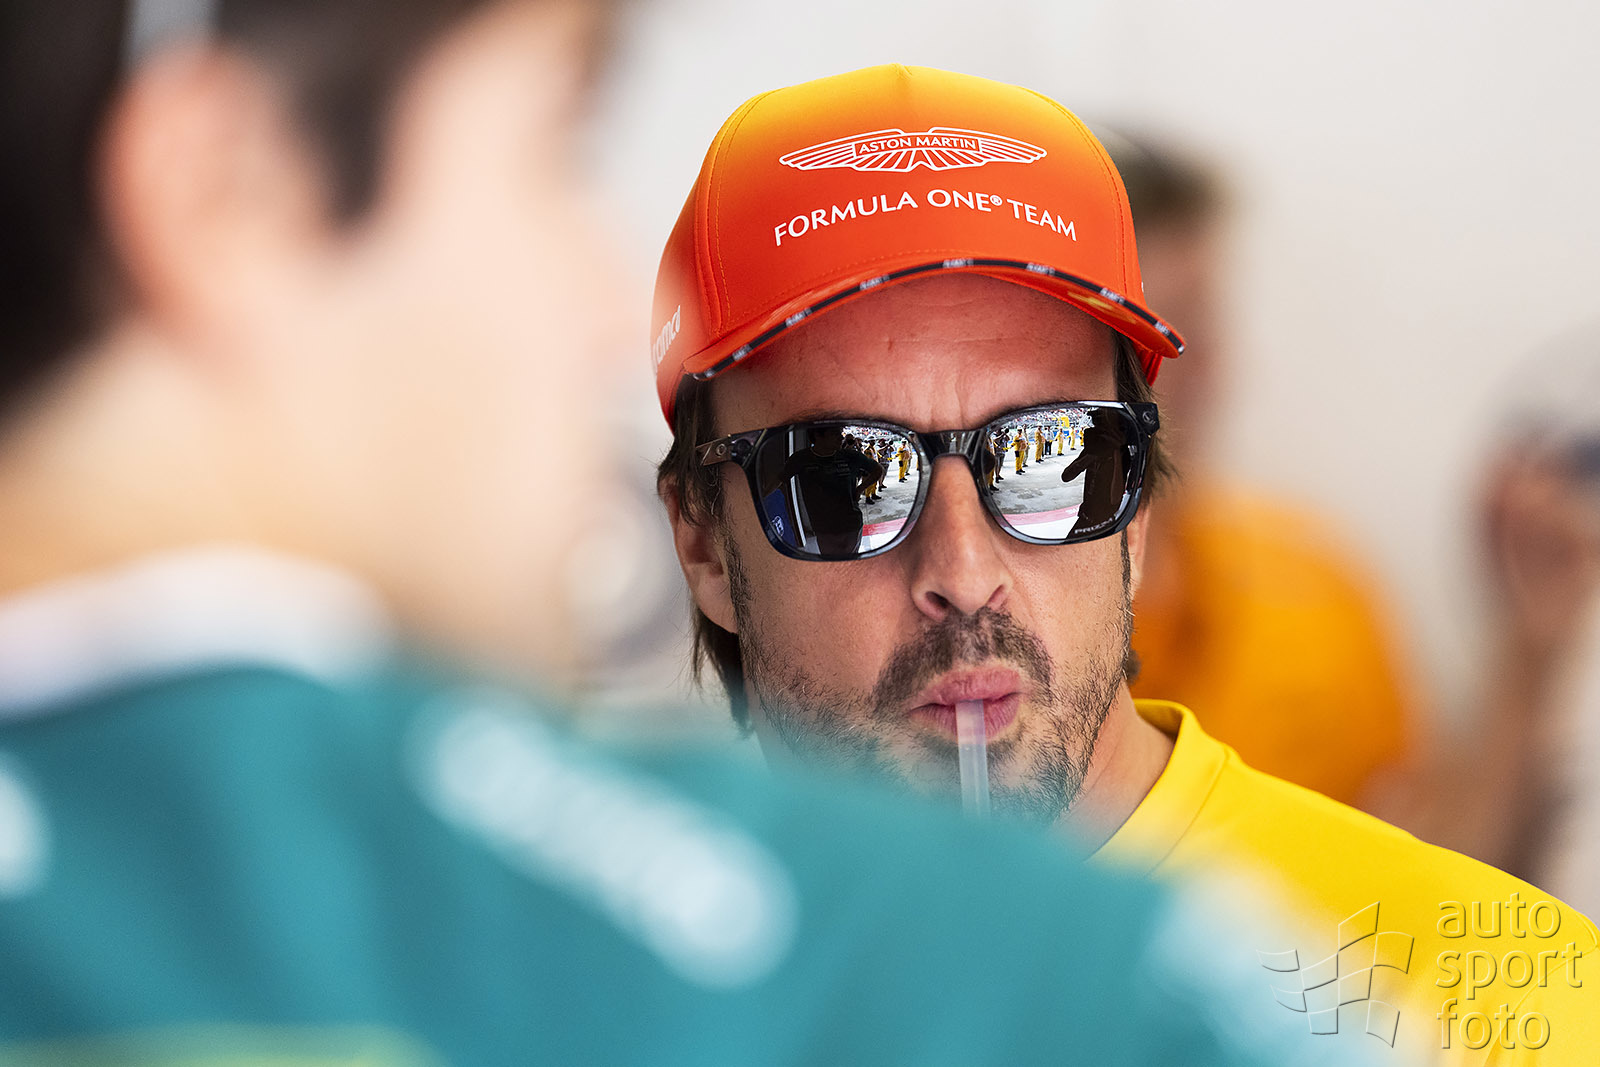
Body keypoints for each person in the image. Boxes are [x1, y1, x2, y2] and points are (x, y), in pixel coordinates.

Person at [0, 8, 1322, 1065]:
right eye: (554, 144)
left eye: (1056, 457)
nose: (596, 298)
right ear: (225, 188)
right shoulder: (1064, 985)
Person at [652, 63, 1599, 1061]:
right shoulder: (592, 1000)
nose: (965, 574)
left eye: (1052, 454)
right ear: (702, 542)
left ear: (1137, 508)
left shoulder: (1492, 997)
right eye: (846, 478)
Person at [1102, 134, 1419, 810]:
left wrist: (1531, 661)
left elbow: (1423, 854)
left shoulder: (1318, 583)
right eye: (1156, 336)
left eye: (1205, 325)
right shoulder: (1005, 621)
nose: (1206, 371)